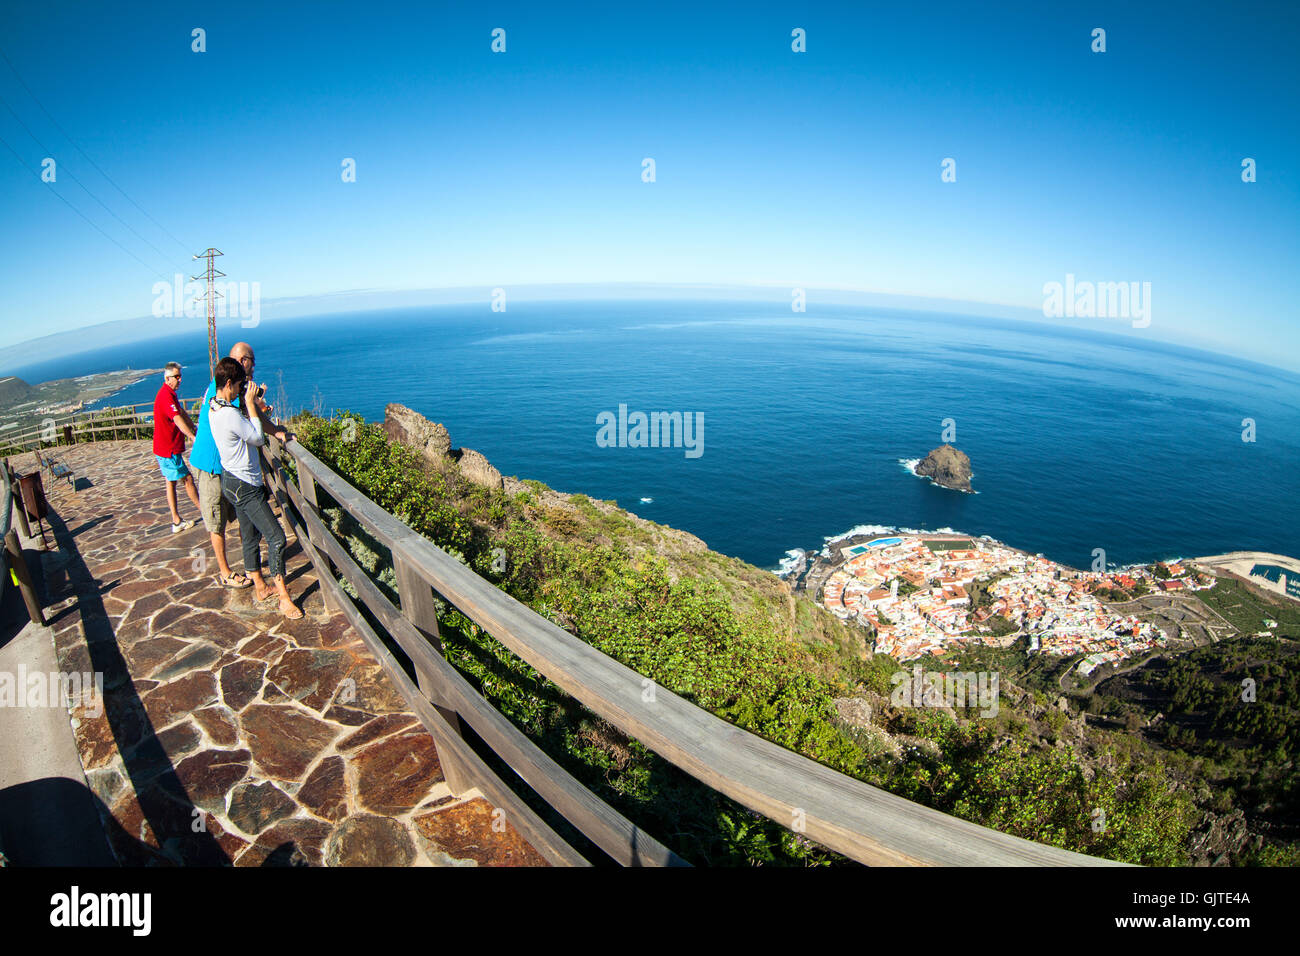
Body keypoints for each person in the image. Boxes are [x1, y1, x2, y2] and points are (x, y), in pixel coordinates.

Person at [208, 356, 302, 620]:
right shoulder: (228, 414)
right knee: (277, 538)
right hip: (246, 485)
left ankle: (261, 588)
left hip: (231, 481)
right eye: (238, 385)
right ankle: (284, 598)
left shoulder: (213, 407)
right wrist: (250, 403)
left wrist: (251, 401)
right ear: (228, 383)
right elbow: (258, 438)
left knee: (249, 536)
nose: (240, 390)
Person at [189, 342, 287, 588]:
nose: (253, 370)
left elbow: (251, 412)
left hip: (229, 467)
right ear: (242, 362)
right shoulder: (222, 391)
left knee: (245, 522)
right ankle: (225, 571)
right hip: (211, 464)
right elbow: (251, 427)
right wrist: (269, 426)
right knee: (216, 522)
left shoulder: (228, 387)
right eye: (251, 363)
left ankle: (253, 571)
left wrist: (276, 430)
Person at [152, 362, 201, 533]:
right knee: (187, 479)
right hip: (168, 449)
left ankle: (176, 520)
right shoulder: (166, 395)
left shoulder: (169, 394)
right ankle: (205, 512)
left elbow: (181, 412)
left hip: (164, 448)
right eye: (176, 377)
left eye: (180, 376)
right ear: (167, 378)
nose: (180, 380)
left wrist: (194, 427)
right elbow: (177, 418)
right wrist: (192, 436)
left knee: (171, 482)